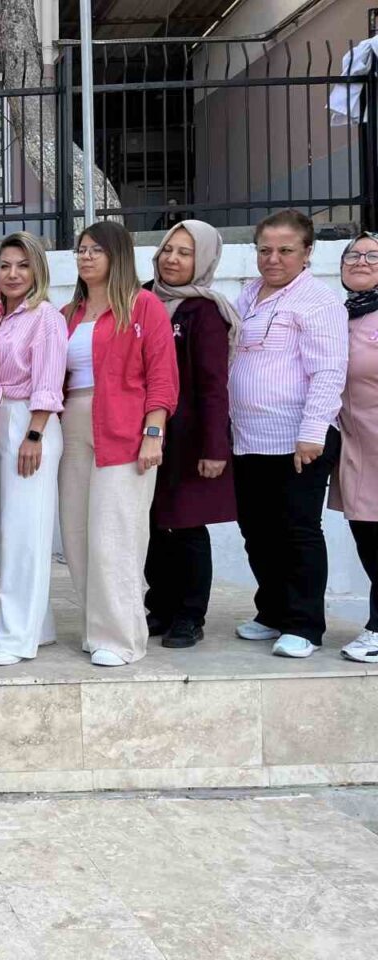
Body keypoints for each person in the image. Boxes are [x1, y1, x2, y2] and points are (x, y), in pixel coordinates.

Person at [60, 221, 179, 667]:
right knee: (76, 533)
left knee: (115, 535)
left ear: (118, 255)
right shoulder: (68, 313)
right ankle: (96, 628)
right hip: (73, 424)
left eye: (96, 250)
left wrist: (154, 432)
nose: (86, 257)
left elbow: (162, 375)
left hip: (124, 428)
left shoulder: (143, 306)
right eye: (81, 250)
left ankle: (121, 638)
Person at [230, 209, 348, 659]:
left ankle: (304, 625)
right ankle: (273, 611)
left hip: (300, 438)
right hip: (248, 437)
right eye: (265, 250)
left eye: (285, 250)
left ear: (307, 252)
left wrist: (312, 431)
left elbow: (328, 371)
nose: (273, 259)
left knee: (298, 530)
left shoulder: (318, 301)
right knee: (256, 529)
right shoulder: (247, 294)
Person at [143, 221, 240, 649]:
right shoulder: (142, 297)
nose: (172, 259)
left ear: (203, 260)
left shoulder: (205, 311)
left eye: (185, 253)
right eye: (168, 249)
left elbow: (214, 385)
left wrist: (215, 447)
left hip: (188, 438)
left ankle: (189, 615)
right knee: (149, 524)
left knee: (185, 527)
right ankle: (160, 606)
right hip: (143, 433)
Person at [0, 231, 67, 665]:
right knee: (1, 530)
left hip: (28, 422)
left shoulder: (45, 316)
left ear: (38, 270)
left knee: (24, 535)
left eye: (22, 265)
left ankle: (16, 638)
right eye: (5, 266)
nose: (12, 274)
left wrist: (34, 434)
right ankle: (39, 624)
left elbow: (49, 381)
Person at [333, 232, 378, 662]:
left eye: (373, 256)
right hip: (355, 447)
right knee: (365, 534)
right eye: (353, 254)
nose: (361, 261)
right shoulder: (342, 315)